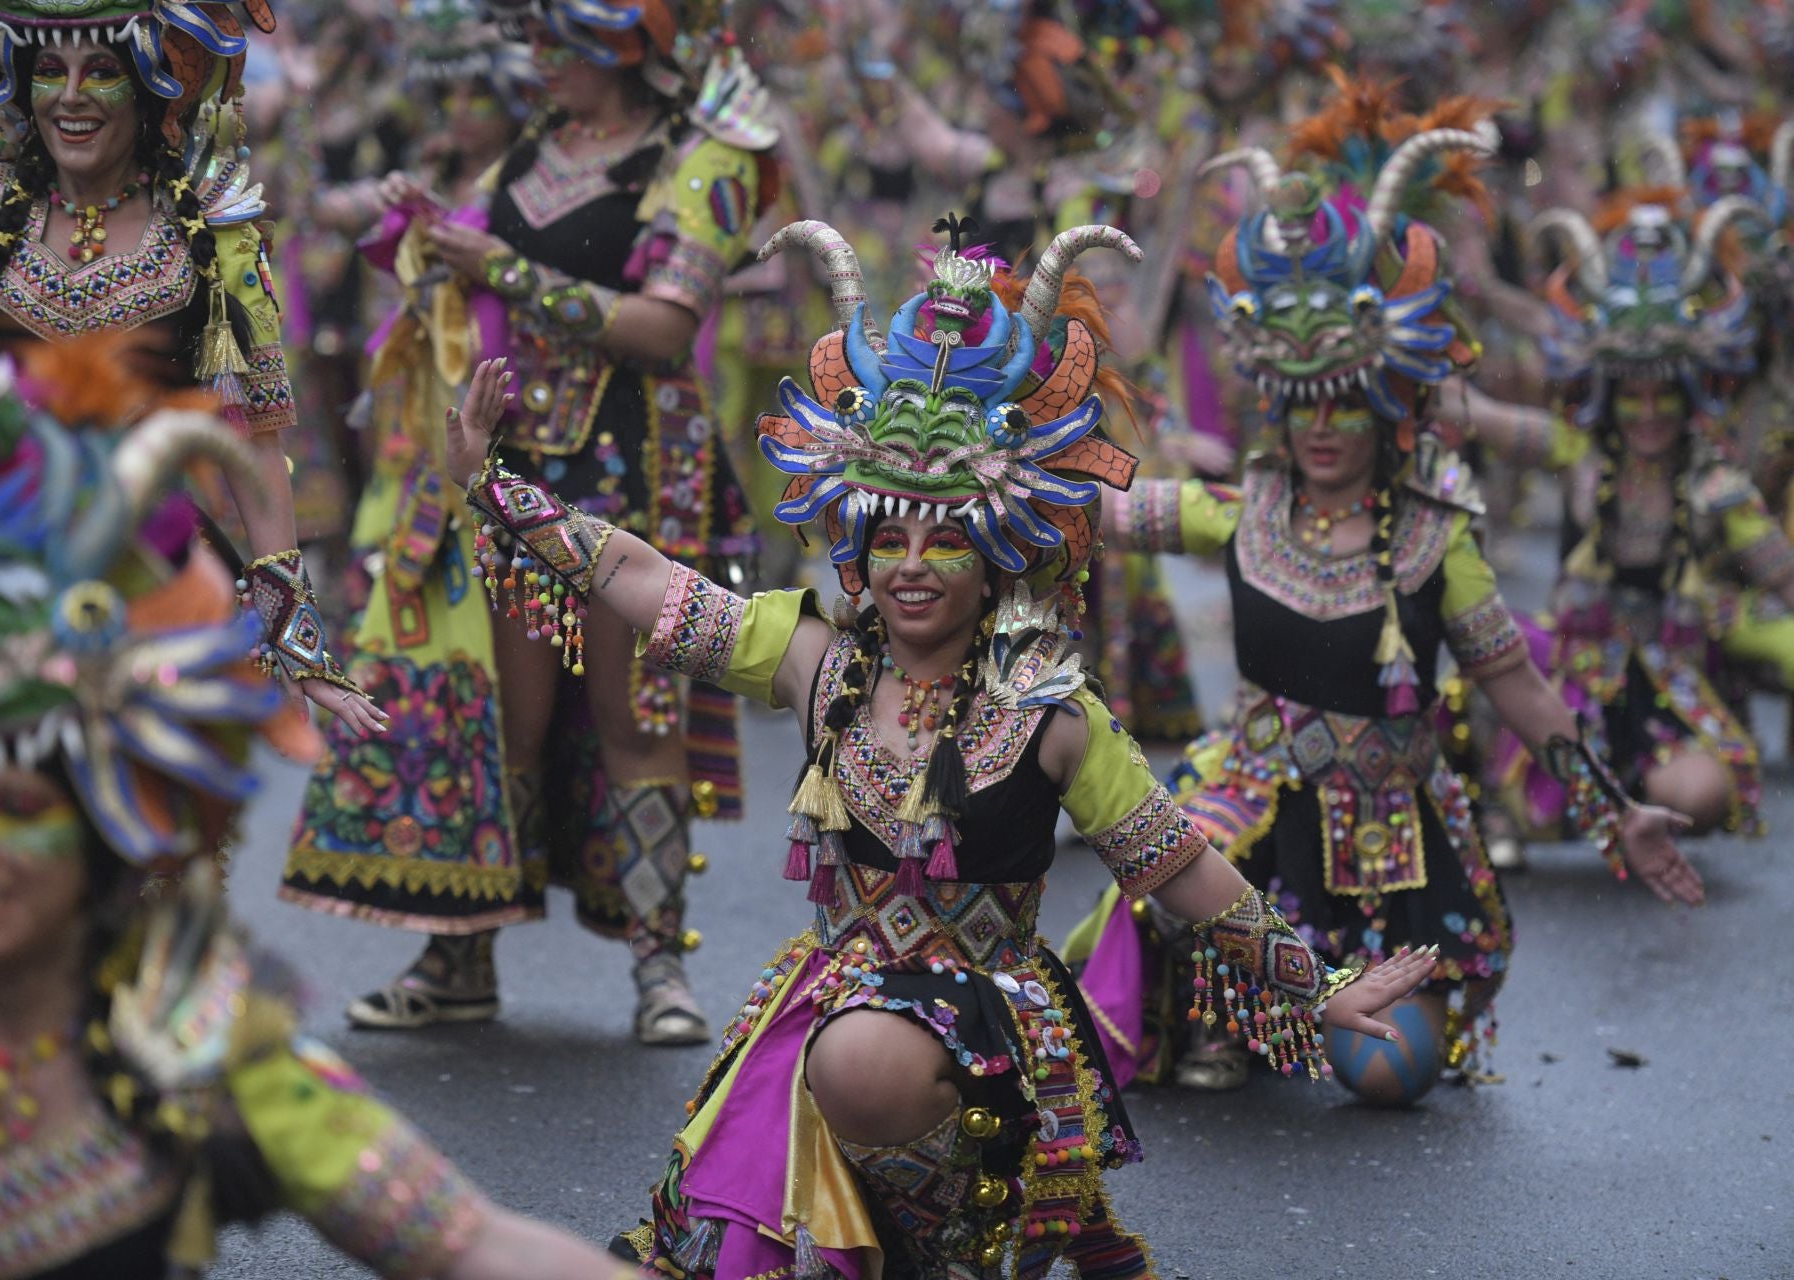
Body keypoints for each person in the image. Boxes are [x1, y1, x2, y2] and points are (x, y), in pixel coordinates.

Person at [446, 219, 1437, 1279]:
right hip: (828, 1018)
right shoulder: (813, 660)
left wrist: (1317, 988)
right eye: (892, 538)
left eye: (948, 538)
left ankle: (947, 1238)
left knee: (866, 1057)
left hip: (983, 1038)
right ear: (859, 553)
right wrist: (499, 492)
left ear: (998, 554)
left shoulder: (1052, 714)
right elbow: (648, 580)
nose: (916, 566)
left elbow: (1181, 865)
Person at [0, 343, 631, 1280]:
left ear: (112, 821)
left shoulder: (189, 1043)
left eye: (21, 803)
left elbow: (470, 1242)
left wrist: (306, 664)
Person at [1064, 92, 1700, 1107]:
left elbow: (1525, 692)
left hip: (1389, 826)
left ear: (1386, 407)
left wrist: (1612, 811)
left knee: (1388, 1071)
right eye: (1301, 404)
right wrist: (1004, 450)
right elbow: (1103, 505)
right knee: (1176, 849)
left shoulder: (1435, 536)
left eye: (1345, 406)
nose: (1322, 430)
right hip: (1259, 788)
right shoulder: (1244, 508)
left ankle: (1315, 1005)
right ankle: (1221, 1002)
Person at [279, 0, 772, 1045]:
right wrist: (426, 232)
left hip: (636, 466)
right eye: (535, 40)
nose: (535, 63)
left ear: (622, 47)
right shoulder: (534, 154)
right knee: (511, 719)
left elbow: (662, 326)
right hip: (513, 468)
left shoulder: (704, 157)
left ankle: (657, 968)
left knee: (636, 718)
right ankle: (464, 951)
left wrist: (492, 265)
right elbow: (454, 251)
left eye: (556, 44)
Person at [0, 0, 378, 736]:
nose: (71, 95)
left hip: (160, 586)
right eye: (50, 69)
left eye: (101, 71)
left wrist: (299, 646)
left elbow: (257, 460)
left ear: (148, 83)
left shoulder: (218, 245)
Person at [1453, 184, 1794, 840]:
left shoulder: (1716, 485)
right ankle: (1512, 794)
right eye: (1630, 398)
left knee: (1698, 793)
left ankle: (1618, 793)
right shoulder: (1579, 452)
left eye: (1662, 397)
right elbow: (1483, 417)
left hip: (1673, 686)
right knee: (1489, 649)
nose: (1646, 415)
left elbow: (1783, 579)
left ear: (1688, 395)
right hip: (1574, 669)